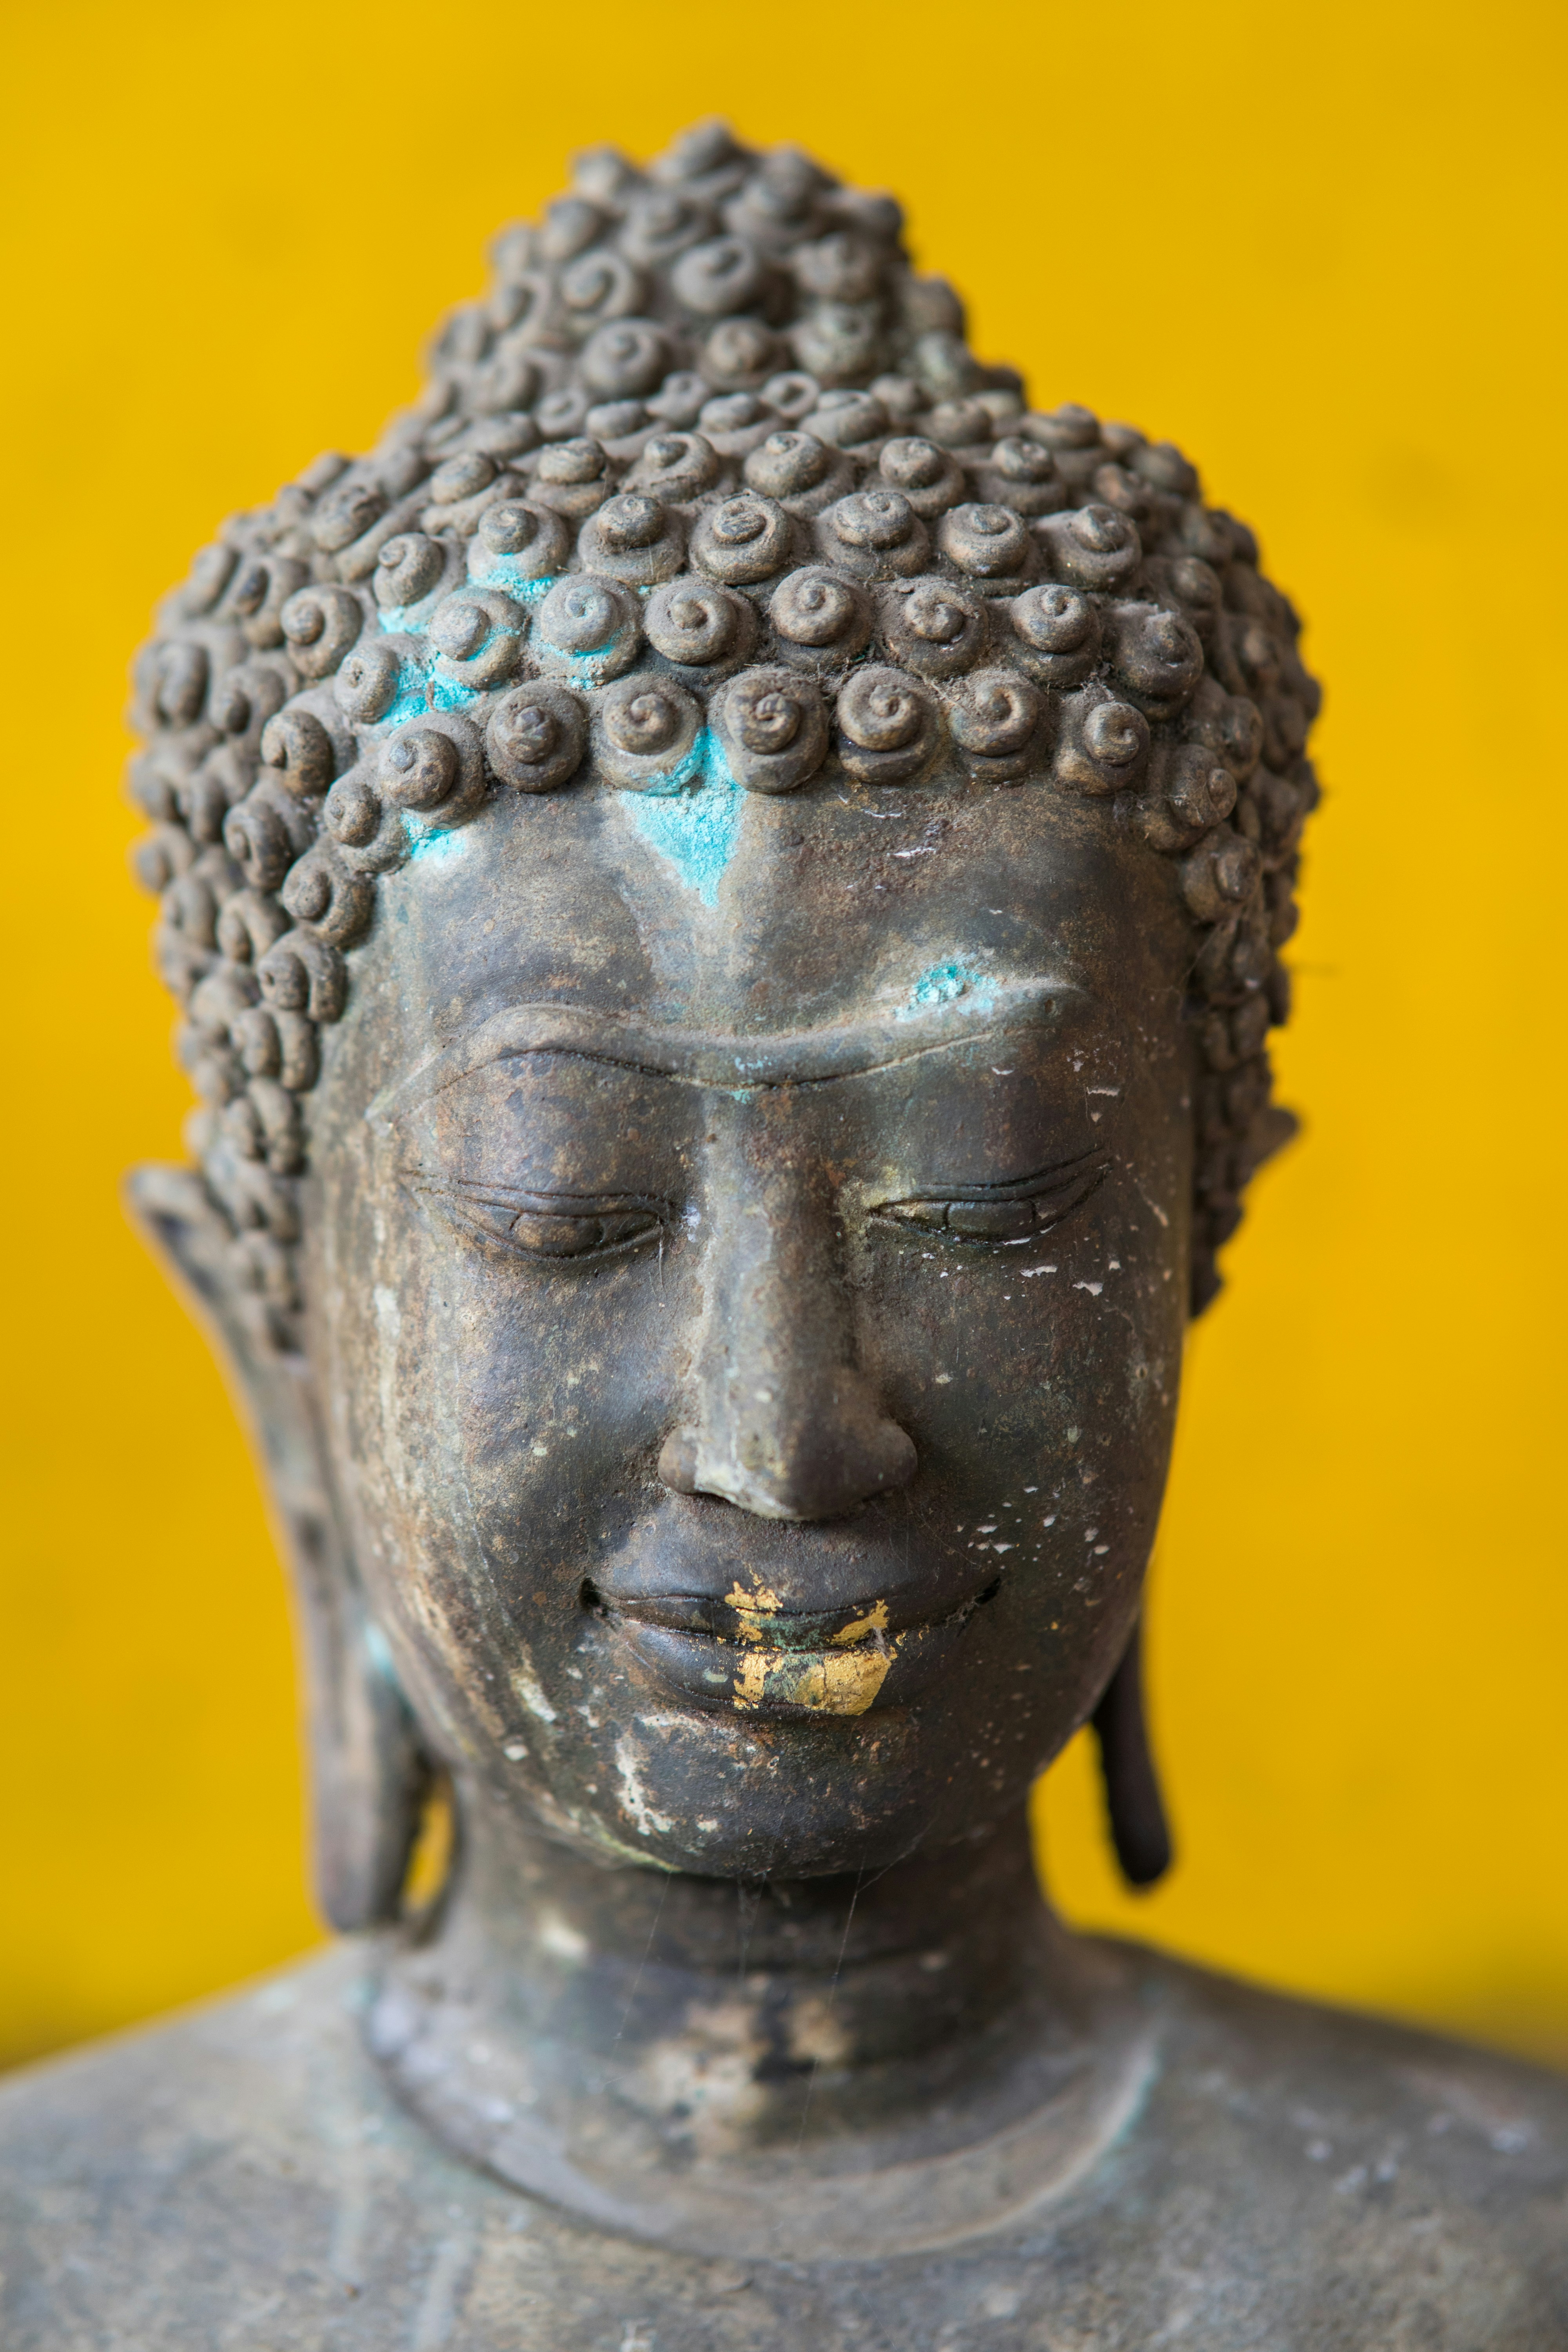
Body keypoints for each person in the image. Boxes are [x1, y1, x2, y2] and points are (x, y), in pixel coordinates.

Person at [2, 122, 1561, 2350]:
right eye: (569, 1206)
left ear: (1183, 1273)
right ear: (282, 1344)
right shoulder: (58, 2270)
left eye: (992, 1190)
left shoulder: (1501, 2260)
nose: (785, 1434)